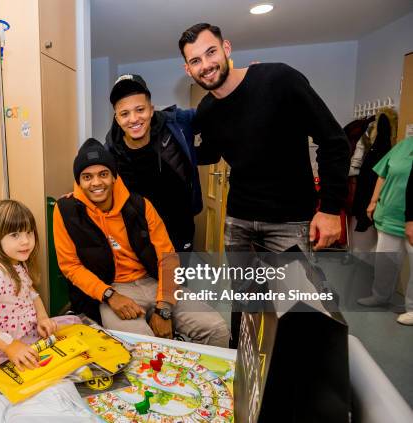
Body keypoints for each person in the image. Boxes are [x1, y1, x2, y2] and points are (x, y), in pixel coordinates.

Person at [178, 23, 350, 253]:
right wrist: (172, 151)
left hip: (290, 220)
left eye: (211, 52)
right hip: (239, 218)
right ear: (188, 69)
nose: (206, 65)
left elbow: (334, 141)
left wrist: (330, 209)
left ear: (226, 48)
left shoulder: (280, 79)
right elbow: (211, 152)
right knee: (244, 288)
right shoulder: (207, 110)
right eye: (195, 60)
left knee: (293, 289)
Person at [53, 138, 229, 346]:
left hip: (153, 280)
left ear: (114, 177)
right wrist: (109, 295)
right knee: (143, 345)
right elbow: (70, 266)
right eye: (87, 177)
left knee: (216, 329)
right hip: (112, 287)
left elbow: (168, 257)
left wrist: (163, 308)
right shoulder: (65, 210)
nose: (96, 183)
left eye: (103, 174)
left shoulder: (140, 206)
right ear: (79, 182)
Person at [0, 200, 66, 370]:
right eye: (15, 235)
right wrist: (10, 346)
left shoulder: (17, 262)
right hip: (6, 347)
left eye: (29, 232)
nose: (26, 241)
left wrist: (42, 317)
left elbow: (31, 292)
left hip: (28, 332)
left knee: (75, 327)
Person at [105, 74, 201, 252]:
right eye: (124, 114)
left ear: (151, 109)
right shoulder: (111, 150)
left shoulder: (175, 123)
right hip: (139, 234)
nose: (133, 119)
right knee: (148, 279)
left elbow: (213, 112)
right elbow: (93, 178)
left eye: (140, 109)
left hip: (179, 229)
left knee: (177, 278)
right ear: (117, 119)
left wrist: (244, 84)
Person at [358, 137, 413, 325]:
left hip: (411, 220)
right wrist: (373, 201)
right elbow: (383, 174)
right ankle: (380, 296)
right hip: (390, 215)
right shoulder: (404, 145)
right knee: (385, 261)